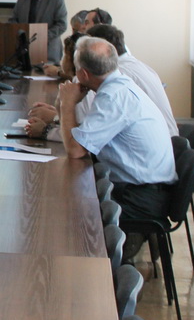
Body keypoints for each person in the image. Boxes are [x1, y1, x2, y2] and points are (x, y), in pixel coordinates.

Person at [60, 37, 177, 232]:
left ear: (83, 74)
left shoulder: (112, 97)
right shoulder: (120, 85)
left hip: (141, 198)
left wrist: (67, 103)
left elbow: (75, 150)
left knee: (68, 208)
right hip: (146, 189)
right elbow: (84, 135)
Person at [87, 24, 178, 136]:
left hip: (157, 139)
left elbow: (98, 121)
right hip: (167, 136)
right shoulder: (140, 66)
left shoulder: (118, 74)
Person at [9, 0, 68, 64]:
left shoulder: (56, 0)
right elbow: (13, 19)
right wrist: (20, 35)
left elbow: (62, 25)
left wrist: (42, 36)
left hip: (48, 52)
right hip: (24, 50)